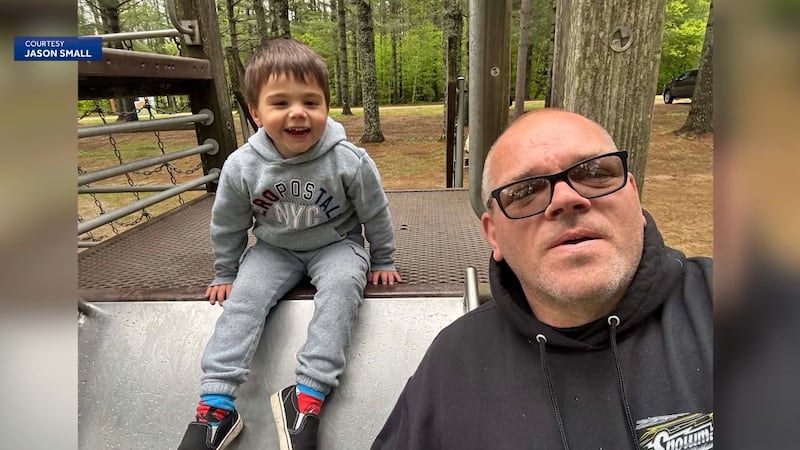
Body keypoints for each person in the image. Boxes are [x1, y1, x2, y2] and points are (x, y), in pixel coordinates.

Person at [371, 109, 712, 449]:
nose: (566, 199)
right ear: (493, 236)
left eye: (595, 172)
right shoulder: (452, 366)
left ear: (633, 196)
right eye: (524, 190)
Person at [178, 37, 401, 450]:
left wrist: (382, 258)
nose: (298, 113)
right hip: (273, 248)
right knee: (243, 301)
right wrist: (226, 271)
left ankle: (307, 397)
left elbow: (375, 211)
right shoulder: (242, 167)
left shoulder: (349, 160)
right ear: (255, 112)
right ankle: (216, 406)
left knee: (340, 292)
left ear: (326, 108)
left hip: (336, 244)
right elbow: (228, 224)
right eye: (280, 103)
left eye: (310, 102)